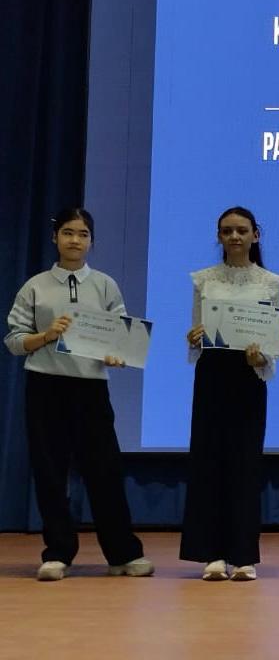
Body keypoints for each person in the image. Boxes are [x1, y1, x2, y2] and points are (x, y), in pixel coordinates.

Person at [4, 208, 154, 581]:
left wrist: (117, 354)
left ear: (91, 241)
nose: (75, 240)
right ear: (55, 238)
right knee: (50, 472)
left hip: (90, 389)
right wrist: (46, 335)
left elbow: (119, 334)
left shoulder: (104, 285)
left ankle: (123, 553)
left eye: (83, 234)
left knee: (105, 472)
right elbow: (14, 341)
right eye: (68, 233)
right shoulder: (35, 286)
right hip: (45, 386)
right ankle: (58, 553)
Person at [180, 206, 279, 582]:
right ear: (219, 237)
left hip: (248, 377)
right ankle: (211, 554)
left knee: (244, 464)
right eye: (227, 231)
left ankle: (243, 556)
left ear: (256, 235)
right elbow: (197, 334)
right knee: (208, 461)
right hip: (212, 375)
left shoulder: (270, 282)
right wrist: (193, 338)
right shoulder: (203, 280)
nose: (235, 236)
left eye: (241, 230)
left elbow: (273, 341)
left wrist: (261, 358)